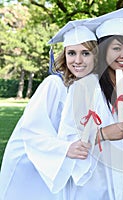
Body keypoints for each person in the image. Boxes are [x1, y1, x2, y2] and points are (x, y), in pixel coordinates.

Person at [0, 20, 97, 199]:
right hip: (28, 161)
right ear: (64, 55)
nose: (78, 60)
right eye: (71, 53)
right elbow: (31, 129)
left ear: (95, 56)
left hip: (55, 161)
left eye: (85, 53)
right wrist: (66, 148)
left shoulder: (84, 88)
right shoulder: (54, 84)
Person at [62, 7, 123, 199]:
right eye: (116, 48)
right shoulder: (84, 87)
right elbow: (67, 138)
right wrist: (103, 134)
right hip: (96, 183)